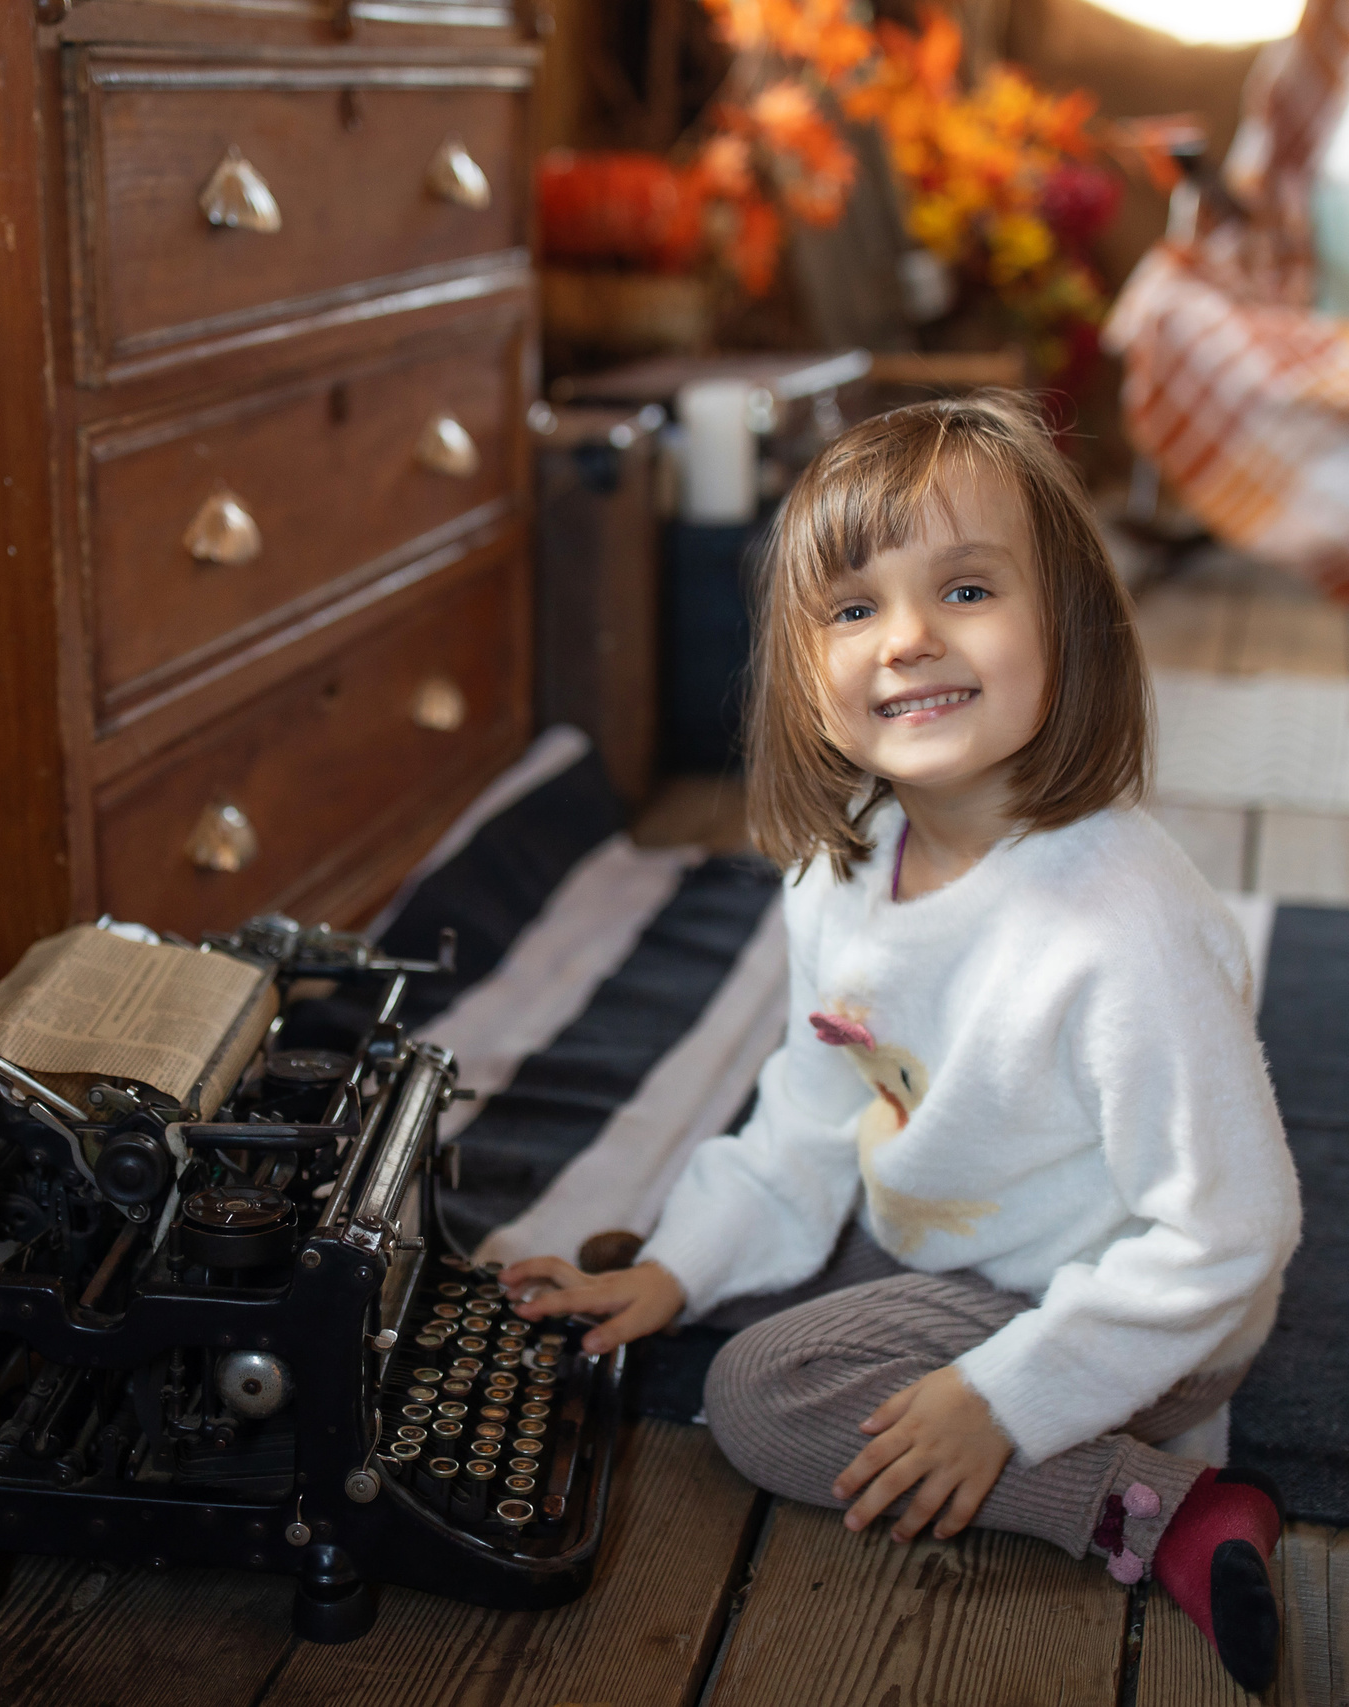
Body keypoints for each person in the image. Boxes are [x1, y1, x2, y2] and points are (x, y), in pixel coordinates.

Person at [500, 392, 1302, 1693]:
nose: (910, 640)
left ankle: (1157, 1506)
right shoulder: (845, 870)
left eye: (968, 588)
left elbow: (1228, 1230)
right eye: (854, 609)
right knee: (723, 1297)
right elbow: (813, 1120)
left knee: (759, 1400)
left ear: (1072, 624)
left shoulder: (1121, 930)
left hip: (1123, 1291)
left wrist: (1004, 1398)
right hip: (969, 1226)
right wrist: (674, 1266)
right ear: (803, 674)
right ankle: (875, 1342)